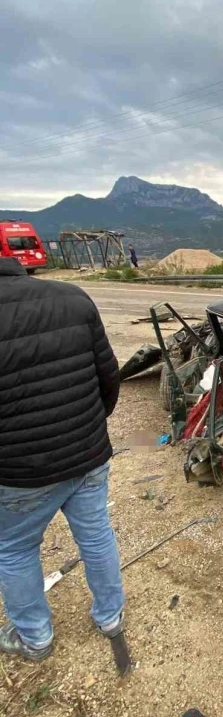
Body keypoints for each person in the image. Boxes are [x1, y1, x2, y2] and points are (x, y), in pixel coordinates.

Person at [0, 257, 125, 662]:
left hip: (19, 470)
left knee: (15, 549)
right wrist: (88, 428)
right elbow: (109, 377)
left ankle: (35, 637)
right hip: (88, 453)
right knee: (96, 534)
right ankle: (111, 618)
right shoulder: (73, 298)